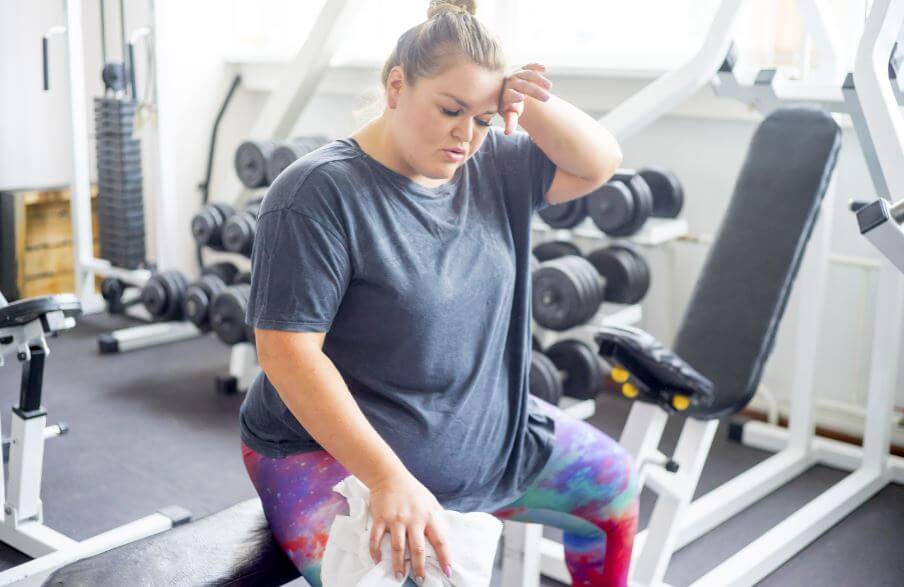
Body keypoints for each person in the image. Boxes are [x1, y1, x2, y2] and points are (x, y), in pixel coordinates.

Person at [239, 1, 638, 585]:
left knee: (615, 493)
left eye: (482, 118)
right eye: (451, 109)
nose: (465, 136)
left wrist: (527, 104)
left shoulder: (496, 164)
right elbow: (286, 354)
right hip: (331, 459)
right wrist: (386, 478)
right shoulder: (315, 194)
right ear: (396, 85)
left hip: (493, 441)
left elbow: (600, 162)